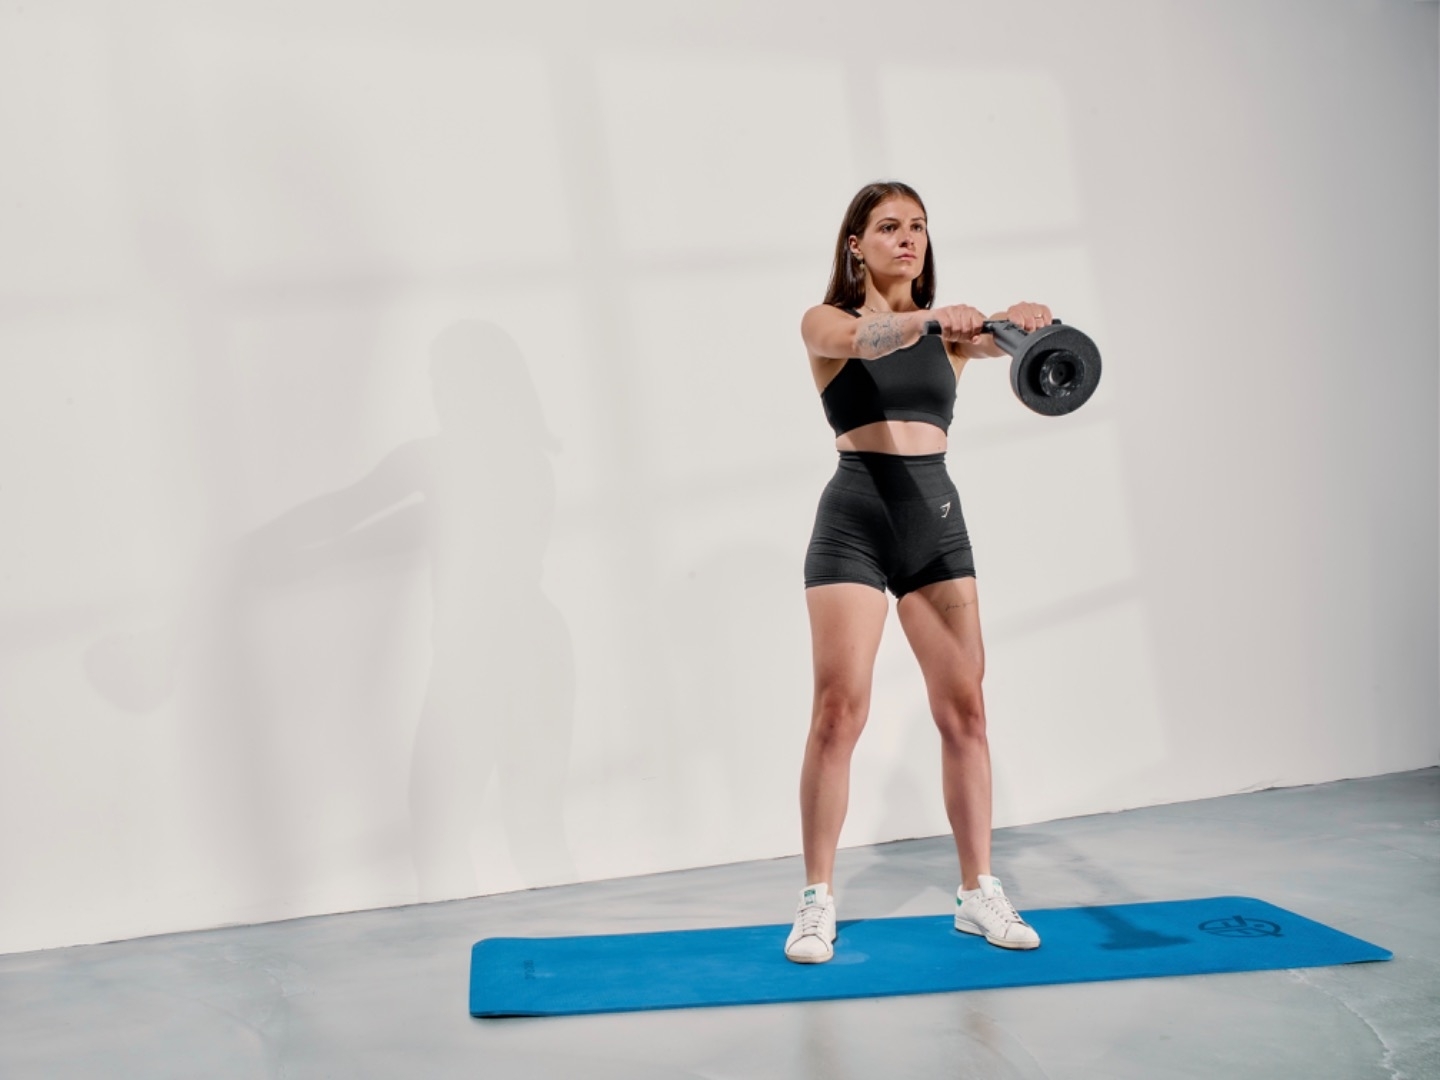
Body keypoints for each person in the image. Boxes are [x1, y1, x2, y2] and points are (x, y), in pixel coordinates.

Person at [786, 180, 1048, 963]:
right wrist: (933, 318)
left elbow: (1013, 348)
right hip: (853, 524)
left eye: (919, 227)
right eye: (890, 227)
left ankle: (977, 893)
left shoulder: (955, 337)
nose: (908, 239)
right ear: (855, 245)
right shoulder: (826, 322)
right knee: (839, 711)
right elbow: (870, 339)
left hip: (933, 524)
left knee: (966, 710)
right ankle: (815, 900)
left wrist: (1030, 322)